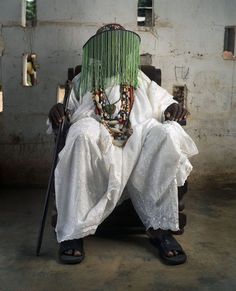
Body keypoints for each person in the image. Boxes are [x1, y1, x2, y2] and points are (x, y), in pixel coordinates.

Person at [48, 23, 198, 265]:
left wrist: (172, 107)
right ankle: (73, 233)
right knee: (79, 134)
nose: (114, 52)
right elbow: (68, 111)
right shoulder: (81, 79)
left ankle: (160, 229)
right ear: (99, 51)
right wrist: (57, 112)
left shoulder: (138, 77)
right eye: (108, 47)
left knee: (167, 134)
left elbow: (163, 103)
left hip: (137, 137)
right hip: (98, 136)